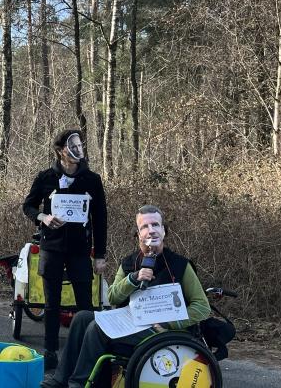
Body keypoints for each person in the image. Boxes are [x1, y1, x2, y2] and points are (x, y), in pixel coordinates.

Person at [42, 205, 210, 388]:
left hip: (163, 330)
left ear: (164, 231)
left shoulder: (180, 265)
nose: (151, 230)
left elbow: (202, 307)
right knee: (82, 317)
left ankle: (78, 384)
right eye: (145, 227)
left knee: (97, 328)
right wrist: (133, 278)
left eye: (155, 225)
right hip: (131, 323)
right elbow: (113, 296)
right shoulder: (129, 263)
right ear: (138, 234)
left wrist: (169, 323)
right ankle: (59, 381)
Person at [22, 128, 108, 370]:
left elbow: (100, 218)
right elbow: (27, 206)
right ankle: (50, 352)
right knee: (51, 304)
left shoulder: (92, 180)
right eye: (72, 146)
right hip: (52, 248)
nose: (77, 150)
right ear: (61, 151)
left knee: (85, 305)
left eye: (80, 145)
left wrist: (100, 254)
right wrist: (43, 217)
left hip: (81, 249)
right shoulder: (45, 177)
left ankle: (85, 351)